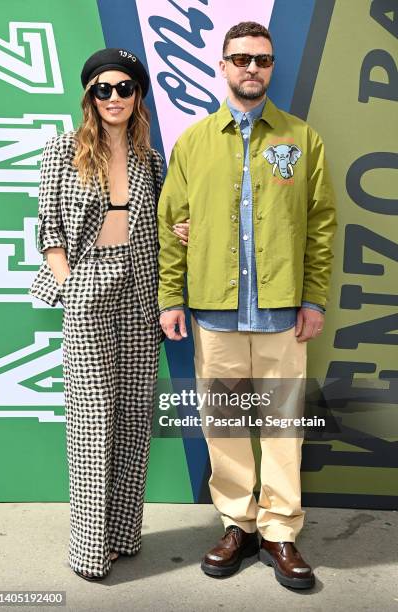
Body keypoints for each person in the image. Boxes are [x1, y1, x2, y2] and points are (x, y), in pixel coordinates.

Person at [157, 22, 337, 589]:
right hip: (215, 311)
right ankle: (238, 523)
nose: (251, 68)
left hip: (283, 313)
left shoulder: (301, 140)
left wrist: (312, 298)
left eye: (260, 59)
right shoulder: (193, 142)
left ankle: (280, 531)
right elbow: (170, 225)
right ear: (223, 67)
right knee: (226, 424)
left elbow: (321, 226)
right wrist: (170, 297)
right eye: (240, 59)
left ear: (271, 66)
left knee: (284, 424)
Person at [29, 48, 188, 581]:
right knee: (93, 422)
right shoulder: (61, 151)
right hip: (88, 284)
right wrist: (71, 286)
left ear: (137, 95)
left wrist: (181, 234)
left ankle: (122, 534)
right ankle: (89, 550)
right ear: (89, 95)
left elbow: (165, 227)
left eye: (124, 88)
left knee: (133, 420)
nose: (114, 97)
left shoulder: (151, 159)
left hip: (142, 290)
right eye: (104, 88)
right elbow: (48, 229)